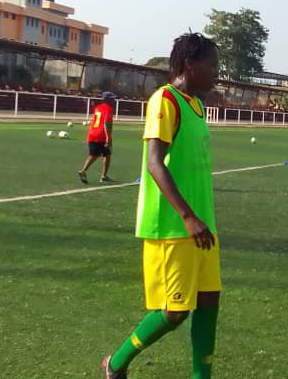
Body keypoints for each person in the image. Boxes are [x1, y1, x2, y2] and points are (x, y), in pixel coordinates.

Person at [102, 33, 221, 379]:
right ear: (189, 64)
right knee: (174, 311)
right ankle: (116, 363)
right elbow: (155, 163)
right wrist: (187, 216)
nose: (216, 72)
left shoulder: (197, 105)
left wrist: (199, 218)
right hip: (173, 225)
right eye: (212, 65)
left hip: (203, 224)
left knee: (209, 301)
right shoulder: (164, 100)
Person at [77, 91, 116, 183]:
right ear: (107, 99)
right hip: (101, 135)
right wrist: (108, 137)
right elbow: (106, 123)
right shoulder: (108, 109)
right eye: (112, 98)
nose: (113, 100)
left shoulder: (98, 107)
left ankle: (84, 171)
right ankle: (103, 176)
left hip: (92, 134)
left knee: (95, 155)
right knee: (106, 154)